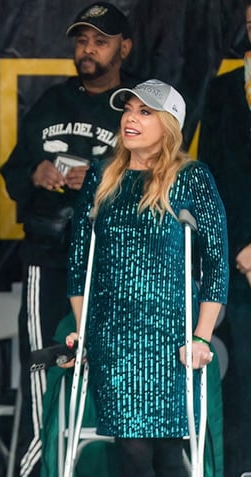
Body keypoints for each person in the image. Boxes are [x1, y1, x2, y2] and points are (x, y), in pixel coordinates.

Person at [65, 79, 228, 475]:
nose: (130, 119)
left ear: (169, 124)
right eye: (127, 110)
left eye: (144, 112)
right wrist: (83, 329)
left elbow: (217, 264)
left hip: (171, 335)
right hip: (114, 336)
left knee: (169, 453)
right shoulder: (102, 177)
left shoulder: (192, 177)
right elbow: (77, 263)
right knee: (133, 449)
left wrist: (202, 337)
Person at [0, 3, 134, 474]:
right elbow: (13, 170)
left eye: (100, 40)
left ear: (124, 47)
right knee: (44, 363)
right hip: (49, 256)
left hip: (112, 263)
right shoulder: (51, 103)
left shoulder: (136, 110)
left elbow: (156, 183)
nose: (88, 49)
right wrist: (36, 172)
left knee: (115, 374)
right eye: (82, 40)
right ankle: (41, 463)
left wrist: (96, 179)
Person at [197, 2, 251, 474]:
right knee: (242, 380)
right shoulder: (223, 92)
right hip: (240, 264)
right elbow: (209, 181)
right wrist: (240, 247)